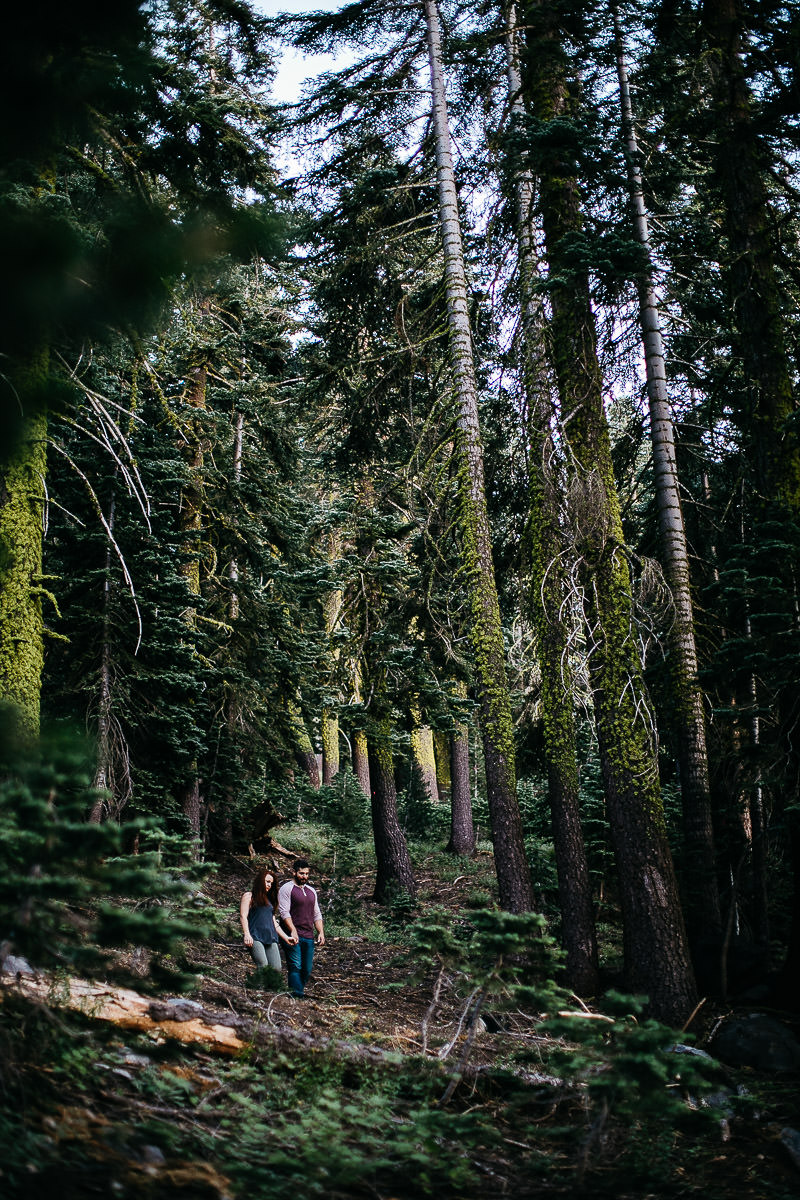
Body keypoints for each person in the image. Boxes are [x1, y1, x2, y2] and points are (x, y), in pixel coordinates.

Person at [278, 858, 325, 998]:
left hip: (308, 935)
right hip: (292, 934)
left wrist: (320, 932)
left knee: (306, 969)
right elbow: (284, 912)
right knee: (295, 966)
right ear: (294, 872)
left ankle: (297, 992)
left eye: (306, 874)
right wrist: (292, 930)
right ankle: (297, 996)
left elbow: (316, 913)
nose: (304, 877)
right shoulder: (286, 889)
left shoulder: (311, 891)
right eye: (301, 873)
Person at [240, 868, 297, 973]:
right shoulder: (249, 896)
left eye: (271, 883)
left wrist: (286, 937)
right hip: (255, 936)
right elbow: (243, 916)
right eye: (267, 882)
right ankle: (258, 989)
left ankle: (270, 989)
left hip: (270, 937)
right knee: (263, 965)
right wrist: (247, 934)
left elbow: (273, 922)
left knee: (276, 968)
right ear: (260, 881)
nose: (269, 885)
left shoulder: (269, 901)